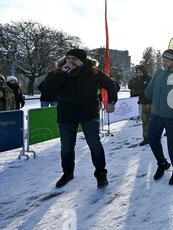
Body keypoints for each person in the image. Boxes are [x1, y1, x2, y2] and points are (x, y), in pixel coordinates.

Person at [39, 48, 118, 189]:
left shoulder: (93, 72)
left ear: (83, 61)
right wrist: (61, 74)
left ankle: (100, 173)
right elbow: (46, 90)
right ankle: (67, 172)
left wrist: (111, 102)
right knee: (67, 147)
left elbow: (111, 85)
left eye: (74, 59)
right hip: (66, 115)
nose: (70, 61)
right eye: (68, 58)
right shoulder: (58, 72)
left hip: (89, 113)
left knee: (94, 144)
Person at [144, 49, 173, 185]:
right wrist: (145, 93)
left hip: (172, 116)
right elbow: (150, 91)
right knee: (152, 139)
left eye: (168, 61)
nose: (164, 63)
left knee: (172, 146)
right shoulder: (159, 73)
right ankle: (162, 163)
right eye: (163, 60)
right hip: (157, 115)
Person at [128, 66, 152, 146]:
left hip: (151, 103)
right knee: (145, 121)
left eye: (140, 72)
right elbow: (137, 90)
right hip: (143, 103)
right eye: (137, 72)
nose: (139, 74)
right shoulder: (138, 80)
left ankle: (154, 137)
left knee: (152, 121)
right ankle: (146, 138)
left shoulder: (149, 79)